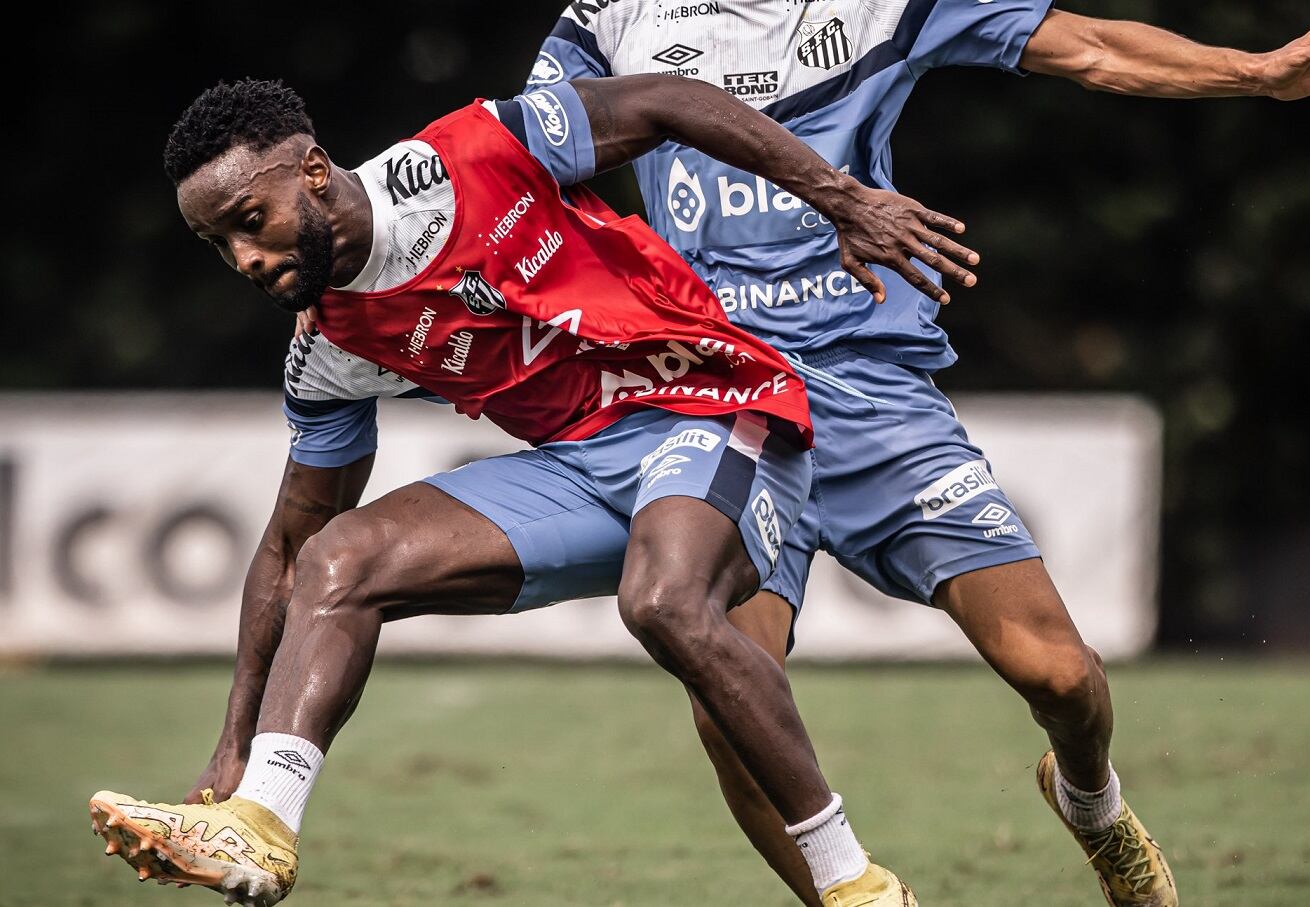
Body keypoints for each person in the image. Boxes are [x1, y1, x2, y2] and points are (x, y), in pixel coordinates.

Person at [526, 3, 1310, 905]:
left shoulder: (882, 7)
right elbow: (524, 168)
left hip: (870, 389)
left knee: (1059, 674)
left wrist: (1257, 72)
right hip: (720, 399)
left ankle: (1093, 805)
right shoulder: (610, 17)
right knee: (731, 708)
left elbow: (1093, 48)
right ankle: (858, 898)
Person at [88, 74, 979, 906]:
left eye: (251, 217)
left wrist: (844, 198)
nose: (244, 256)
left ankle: (856, 885)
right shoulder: (327, 347)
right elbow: (288, 548)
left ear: (314, 172)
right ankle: (262, 826)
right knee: (339, 557)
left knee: (664, 601)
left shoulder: (477, 152)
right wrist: (236, 742)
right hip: (579, 467)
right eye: (219, 243)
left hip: (712, 405)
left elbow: (668, 99)